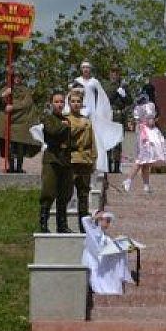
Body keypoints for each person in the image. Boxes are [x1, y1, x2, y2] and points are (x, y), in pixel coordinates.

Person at [70, 62, 124, 175]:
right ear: (81, 69)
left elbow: (102, 98)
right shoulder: (76, 81)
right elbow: (71, 96)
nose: (86, 70)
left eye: (88, 68)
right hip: (79, 109)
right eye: (84, 68)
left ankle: (98, 162)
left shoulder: (95, 82)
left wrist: (102, 112)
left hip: (92, 111)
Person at [122, 84, 166, 193]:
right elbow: (150, 121)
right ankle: (128, 180)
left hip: (141, 132)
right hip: (148, 133)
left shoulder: (138, 106)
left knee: (146, 161)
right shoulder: (150, 105)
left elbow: (136, 119)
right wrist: (154, 121)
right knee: (142, 159)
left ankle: (146, 185)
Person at [39, 90, 74, 233]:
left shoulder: (66, 119)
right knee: (48, 191)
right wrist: (64, 126)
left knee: (64, 194)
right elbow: (52, 131)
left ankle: (62, 225)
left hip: (65, 160)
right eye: (57, 102)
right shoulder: (47, 117)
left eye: (61, 102)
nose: (59, 104)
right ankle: (43, 223)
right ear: (51, 103)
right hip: (52, 159)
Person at [0, 76, 41, 174]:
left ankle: (19, 167)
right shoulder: (6, 88)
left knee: (20, 146)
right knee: (9, 146)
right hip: (8, 121)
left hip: (21, 122)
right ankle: (11, 166)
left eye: (19, 77)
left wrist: (13, 107)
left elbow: (27, 104)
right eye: (15, 77)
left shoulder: (26, 91)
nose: (17, 79)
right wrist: (4, 95)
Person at [81, 209, 136, 296]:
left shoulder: (105, 237)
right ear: (99, 220)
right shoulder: (92, 231)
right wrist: (95, 217)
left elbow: (110, 247)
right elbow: (84, 220)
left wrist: (126, 247)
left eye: (109, 222)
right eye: (106, 221)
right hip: (94, 261)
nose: (108, 224)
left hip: (102, 261)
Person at [67, 91, 96, 221]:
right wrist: (79, 127)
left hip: (85, 159)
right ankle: (63, 223)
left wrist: (93, 159)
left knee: (83, 193)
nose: (76, 104)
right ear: (69, 103)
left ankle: (83, 224)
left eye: (78, 101)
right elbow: (66, 135)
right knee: (67, 192)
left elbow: (92, 141)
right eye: (73, 101)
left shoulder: (87, 121)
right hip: (71, 159)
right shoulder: (66, 119)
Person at [106, 69, 132, 173]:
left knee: (118, 142)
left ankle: (116, 167)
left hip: (120, 115)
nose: (114, 76)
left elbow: (130, 101)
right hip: (109, 115)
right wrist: (117, 92)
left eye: (116, 74)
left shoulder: (124, 87)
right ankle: (108, 166)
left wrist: (124, 95)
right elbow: (108, 100)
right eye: (112, 74)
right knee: (108, 141)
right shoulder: (107, 87)